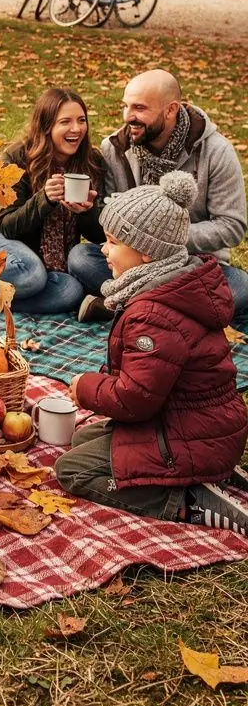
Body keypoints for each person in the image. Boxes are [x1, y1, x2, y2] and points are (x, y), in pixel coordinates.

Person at [56, 172, 248, 536]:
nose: (103, 249)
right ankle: (209, 470)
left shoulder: (154, 314)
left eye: (113, 242)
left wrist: (85, 388)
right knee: (83, 439)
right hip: (202, 427)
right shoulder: (172, 285)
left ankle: (186, 500)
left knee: (72, 470)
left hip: (186, 433)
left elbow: (136, 400)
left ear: (146, 251)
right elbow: (148, 375)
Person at [68, 69, 248, 319]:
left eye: (140, 108)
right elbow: (110, 227)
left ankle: (124, 305)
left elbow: (232, 226)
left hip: (191, 265)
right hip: (131, 264)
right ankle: (166, 312)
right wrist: (89, 211)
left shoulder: (216, 151)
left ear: (171, 109)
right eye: (126, 106)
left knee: (241, 287)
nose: (128, 116)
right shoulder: (115, 148)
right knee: (80, 258)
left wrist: (163, 238)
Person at [0, 88, 104, 315]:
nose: (76, 129)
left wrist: (87, 212)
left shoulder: (92, 162)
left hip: (37, 261)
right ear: (47, 127)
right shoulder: (17, 158)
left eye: (81, 120)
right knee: (31, 273)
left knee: (70, 291)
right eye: (65, 122)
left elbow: (101, 237)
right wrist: (44, 200)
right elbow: (7, 226)